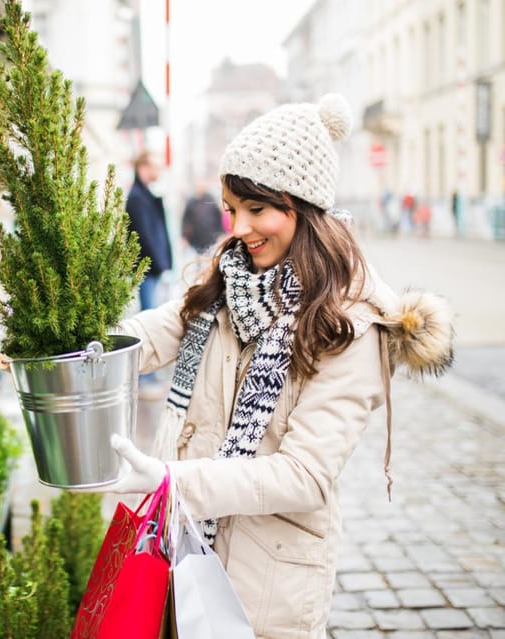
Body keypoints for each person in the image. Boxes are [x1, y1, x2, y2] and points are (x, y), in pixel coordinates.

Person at [85, 95, 453, 637]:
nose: (239, 228)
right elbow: (150, 334)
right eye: (233, 209)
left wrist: (171, 478)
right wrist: (66, 344)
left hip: (266, 582)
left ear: (303, 207)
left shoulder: (349, 322)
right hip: (185, 549)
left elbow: (304, 475)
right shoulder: (227, 279)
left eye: (258, 209)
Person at [125, 151, 172, 312]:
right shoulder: (137, 198)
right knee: (148, 314)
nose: (158, 171)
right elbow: (144, 236)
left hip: (151, 267)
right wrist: (159, 264)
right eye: (155, 167)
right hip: (147, 268)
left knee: (152, 312)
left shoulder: (145, 195)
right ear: (142, 168)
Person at [181, 179, 224, 254]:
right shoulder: (191, 202)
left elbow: (218, 217)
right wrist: (184, 236)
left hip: (210, 237)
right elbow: (186, 220)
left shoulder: (210, 199)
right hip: (196, 238)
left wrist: (221, 232)